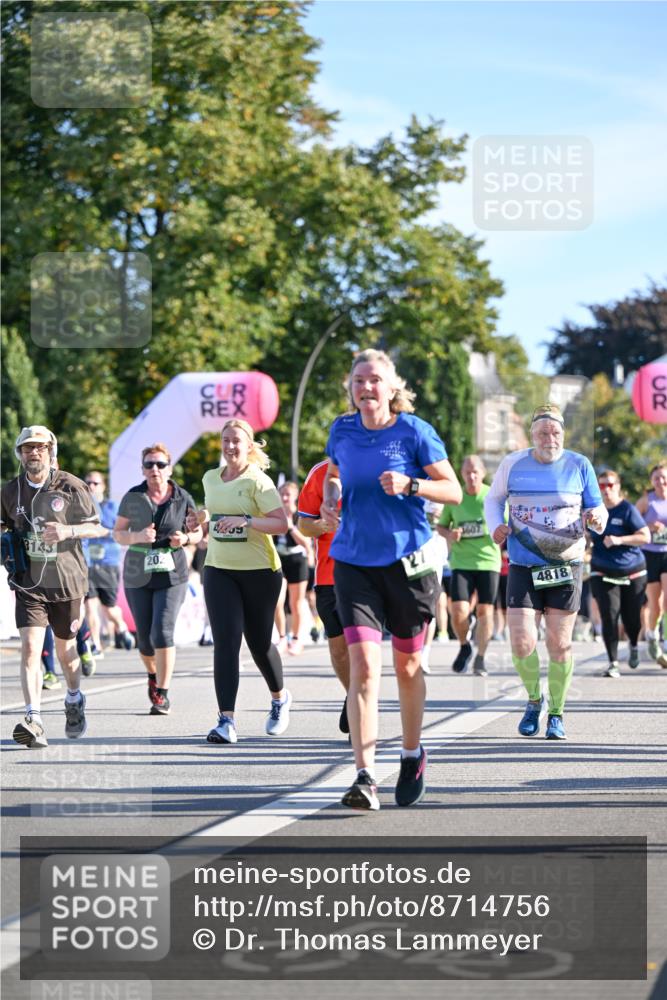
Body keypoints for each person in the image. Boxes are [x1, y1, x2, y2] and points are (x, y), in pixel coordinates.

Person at [321, 349, 462, 810]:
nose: (366, 388)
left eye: (375, 380)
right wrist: (330, 500)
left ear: (392, 386)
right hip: (353, 561)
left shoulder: (414, 432)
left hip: (407, 564)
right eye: (358, 380)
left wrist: (412, 485)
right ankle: (364, 776)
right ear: (350, 386)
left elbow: (453, 488)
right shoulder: (341, 430)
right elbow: (335, 474)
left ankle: (411, 752)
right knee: (364, 667)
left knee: (406, 668)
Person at [484, 404, 607, 741]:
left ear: (562, 434)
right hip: (523, 563)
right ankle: (534, 700)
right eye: (542, 433)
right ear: (533, 435)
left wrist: (597, 519)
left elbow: (597, 507)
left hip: (566, 564)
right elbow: (493, 500)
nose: (549, 438)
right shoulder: (513, 463)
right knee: (522, 640)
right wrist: (496, 525)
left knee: (559, 644)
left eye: (555, 432)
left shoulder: (579, 464)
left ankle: (556, 712)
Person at [185, 419, 291, 744]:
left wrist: (246, 521)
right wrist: (200, 518)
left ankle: (279, 698)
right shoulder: (210, 478)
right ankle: (226, 721)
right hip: (219, 569)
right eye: (226, 440)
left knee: (258, 643)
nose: (230, 446)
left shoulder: (259, 482)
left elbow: (282, 524)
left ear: (249, 446)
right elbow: (215, 508)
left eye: (236, 441)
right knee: (226, 643)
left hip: (260, 572)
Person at [1, 425, 101, 748]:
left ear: (51, 451)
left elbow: (97, 528)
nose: (34, 452)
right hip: (28, 582)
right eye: (27, 448)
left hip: (67, 583)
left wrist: (67, 532)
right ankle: (34, 718)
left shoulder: (71, 486)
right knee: (30, 648)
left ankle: (73, 698)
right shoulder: (10, 491)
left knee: (66, 652)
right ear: (20, 454)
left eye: (40, 447)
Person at [113, 443, 202, 715]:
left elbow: (198, 533)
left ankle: (162, 693)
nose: (155, 470)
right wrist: (138, 537)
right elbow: (118, 533)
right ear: (142, 469)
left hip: (172, 572)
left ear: (169, 468)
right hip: (137, 574)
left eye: (160, 464)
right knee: (145, 639)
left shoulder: (182, 497)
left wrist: (186, 538)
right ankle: (152, 674)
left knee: (162, 630)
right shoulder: (133, 496)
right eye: (150, 465)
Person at [297, 459, 350, 732]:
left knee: (363, 644)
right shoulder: (318, 472)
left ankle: (360, 701)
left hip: (367, 571)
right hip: (328, 574)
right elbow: (303, 525)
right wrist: (323, 526)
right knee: (339, 649)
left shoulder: (373, 464)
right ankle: (354, 694)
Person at [437, 455, 501, 676]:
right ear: (462, 474)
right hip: (461, 562)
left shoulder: (493, 496)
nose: (471, 476)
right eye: (467, 472)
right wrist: (450, 534)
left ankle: (481, 657)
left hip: (488, 561)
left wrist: (500, 532)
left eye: (475, 472)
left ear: (482, 473)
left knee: (485, 611)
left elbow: (507, 524)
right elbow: (441, 526)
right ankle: (465, 645)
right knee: (458, 612)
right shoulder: (455, 497)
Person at [589, 470, 650, 677]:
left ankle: (633, 644)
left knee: (632, 618)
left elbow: (645, 537)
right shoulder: (593, 511)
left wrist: (619, 540)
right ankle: (613, 662)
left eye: (610, 485)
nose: (606, 490)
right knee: (609, 615)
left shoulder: (627, 509)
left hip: (632, 571)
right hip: (602, 570)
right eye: (602, 485)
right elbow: (587, 536)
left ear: (618, 486)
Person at [82, 470, 134, 655]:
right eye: (88, 482)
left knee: (109, 608)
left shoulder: (113, 507)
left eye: (96, 483)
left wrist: (103, 531)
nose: (91, 486)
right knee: (90, 605)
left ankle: (121, 626)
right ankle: (95, 644)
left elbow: (121, 531)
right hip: (87, 563)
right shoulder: (80, 506)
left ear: (103, 486)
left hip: (108, 563)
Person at [274, 481, 312, 655]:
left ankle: (296, 638)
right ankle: (282, 637)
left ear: (295, 496)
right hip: (279, 559)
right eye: (282, 494)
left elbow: (306, 543)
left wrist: (290, 528)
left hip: (297, 559)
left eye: (288, 494)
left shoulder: (299, 516)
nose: (284, 498)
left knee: (295, 603)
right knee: (277, 601)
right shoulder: (274, 514)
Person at [636, 462, 667, 667]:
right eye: (656, 478)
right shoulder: (647, 501)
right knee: (654, 605)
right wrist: (648, 526)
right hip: (649, 555)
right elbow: (633, 524)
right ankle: (652, 634)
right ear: (651, 481)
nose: (661, 481)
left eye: (664, 477)